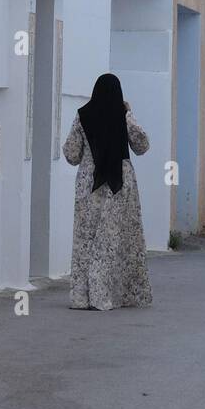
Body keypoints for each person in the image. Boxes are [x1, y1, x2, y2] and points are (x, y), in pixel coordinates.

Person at [62, 73, 153, 310]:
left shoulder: (83, 115)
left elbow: (71, 155)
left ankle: (82, 297)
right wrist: (129, 114)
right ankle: (108, 295)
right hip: (119, 184)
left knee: (86, 240)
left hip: (88, 183)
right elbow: (142, 145)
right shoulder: (122, 116)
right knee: (114, 240)